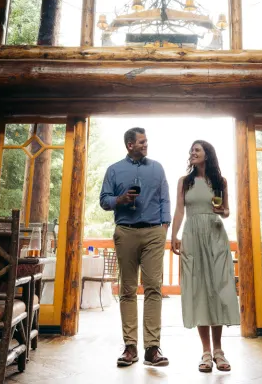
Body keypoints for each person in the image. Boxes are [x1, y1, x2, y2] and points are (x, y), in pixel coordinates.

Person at [99, 127, 171, 368]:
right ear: (130, 144)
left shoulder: (157, 168)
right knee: (128, 289)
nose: (145, 144)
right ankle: (130, 347)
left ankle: (152, 349)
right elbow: (103, 200)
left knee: (153, 288)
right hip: (126, 231)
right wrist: (119, 200)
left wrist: (164, 229)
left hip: (153, 233)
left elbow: (164, 199)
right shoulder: (114, 170)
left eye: (146, 141)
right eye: (141, 142)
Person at [171, 140, 241, 373]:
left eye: (197, 150)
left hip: (215, 235)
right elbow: (180, 210)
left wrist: (223, 211)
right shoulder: (184, 182)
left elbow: (227, 211)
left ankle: (219, 350)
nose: (192, 152)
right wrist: (174, 235)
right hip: (192, 235)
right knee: (198, 289)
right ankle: (206, 351)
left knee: (217, 289)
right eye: (191, 150)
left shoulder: (220, 182)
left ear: (207, 155)